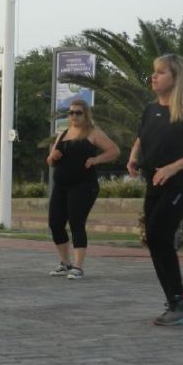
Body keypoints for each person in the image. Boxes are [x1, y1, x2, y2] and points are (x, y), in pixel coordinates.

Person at [127, 53, 183, 326]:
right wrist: (133, 157)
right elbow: (142, 137)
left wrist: (175, 167)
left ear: (177, 78)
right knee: (154, 239)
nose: (154, 76)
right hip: (154, 182)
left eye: (161, 72)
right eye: (154, 71)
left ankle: (180, 301)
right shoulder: (151, 109)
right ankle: (176, 300)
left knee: (157, 233)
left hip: (180, 184)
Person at [46, 99, 119, 279]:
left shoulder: (93, 133)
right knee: (55, 223)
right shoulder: (62, 134)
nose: (74, 116)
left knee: (76, 222)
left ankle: (78, 266)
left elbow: (114, 150)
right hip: (61, 185)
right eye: (71, 113)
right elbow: (50, 161)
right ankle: (65, 263)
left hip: (84, 185)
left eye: (78, 112)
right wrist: (52, 157)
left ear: (86, 114)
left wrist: (96, 160)